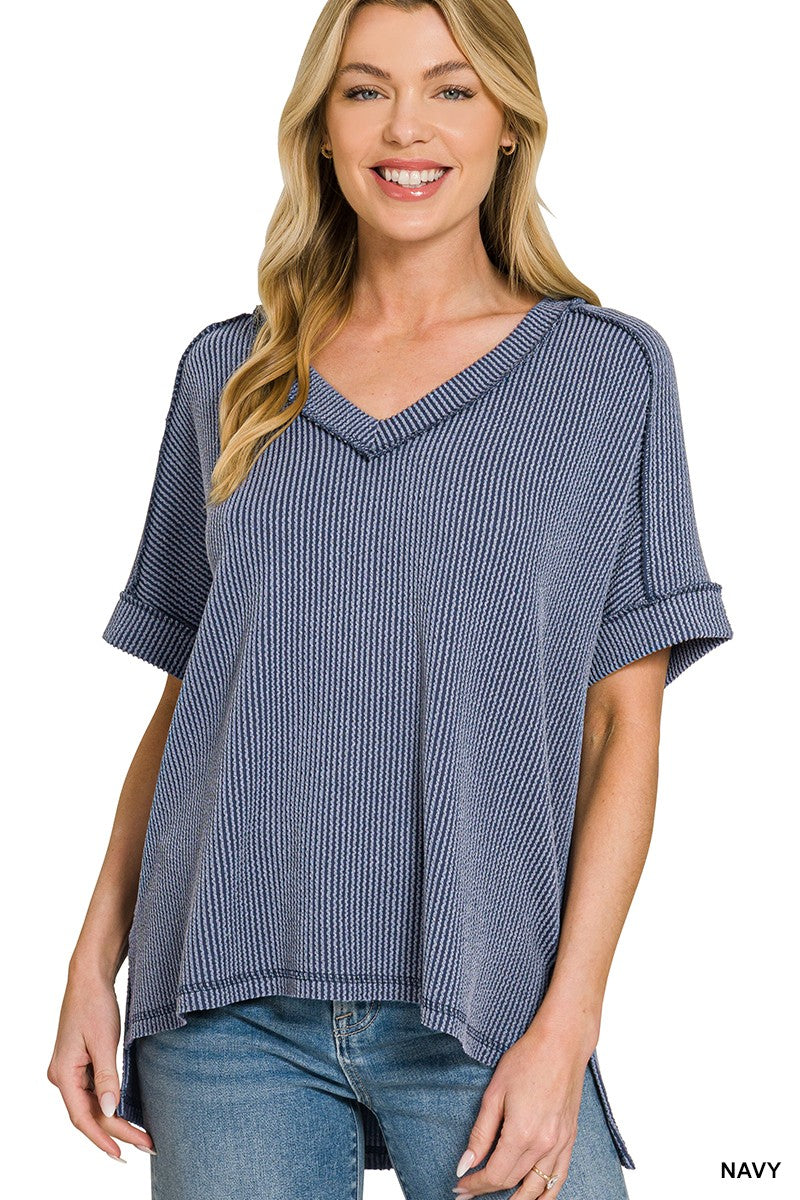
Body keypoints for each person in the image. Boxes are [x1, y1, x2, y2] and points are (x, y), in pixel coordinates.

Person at [47, 1, 734, 1197]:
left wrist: (567, 1025)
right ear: (321, 127)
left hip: (486, 1006)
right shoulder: (230, 373)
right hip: (221, 1013)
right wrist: (90, 964)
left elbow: (621, 726)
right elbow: (191, 703)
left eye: (450, 89)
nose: (405, 127)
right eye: (365, 90)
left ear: (509, 124)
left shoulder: (605, 374)